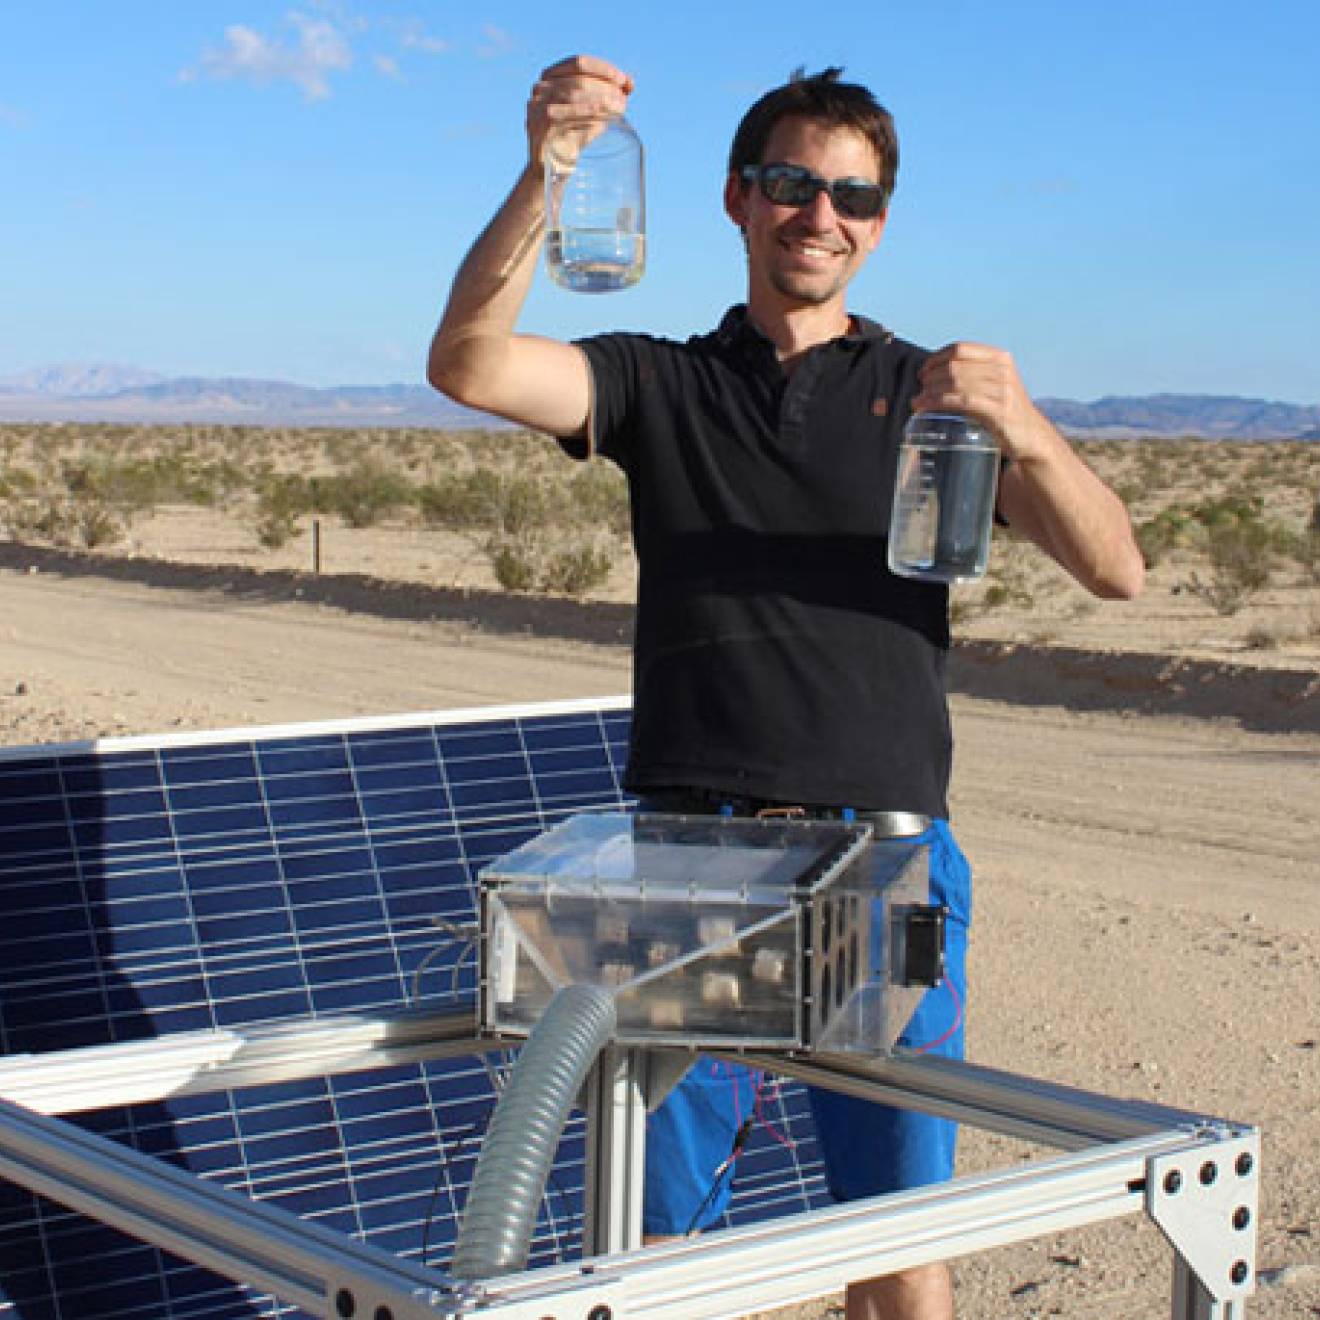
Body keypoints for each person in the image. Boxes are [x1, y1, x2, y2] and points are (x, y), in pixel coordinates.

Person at [427, 54, 1145, 1320]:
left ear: (880, 223)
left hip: (888, 864)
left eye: (854, 198)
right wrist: (545, 175)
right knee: (649, 1250)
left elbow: (1116, 569)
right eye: (791, 185)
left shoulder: (936, 401)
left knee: (898, 1242)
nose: (822, 217)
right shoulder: (659, 384)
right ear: (736, 200)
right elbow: (471, 363)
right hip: (685, 868)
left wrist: (1026, 424)